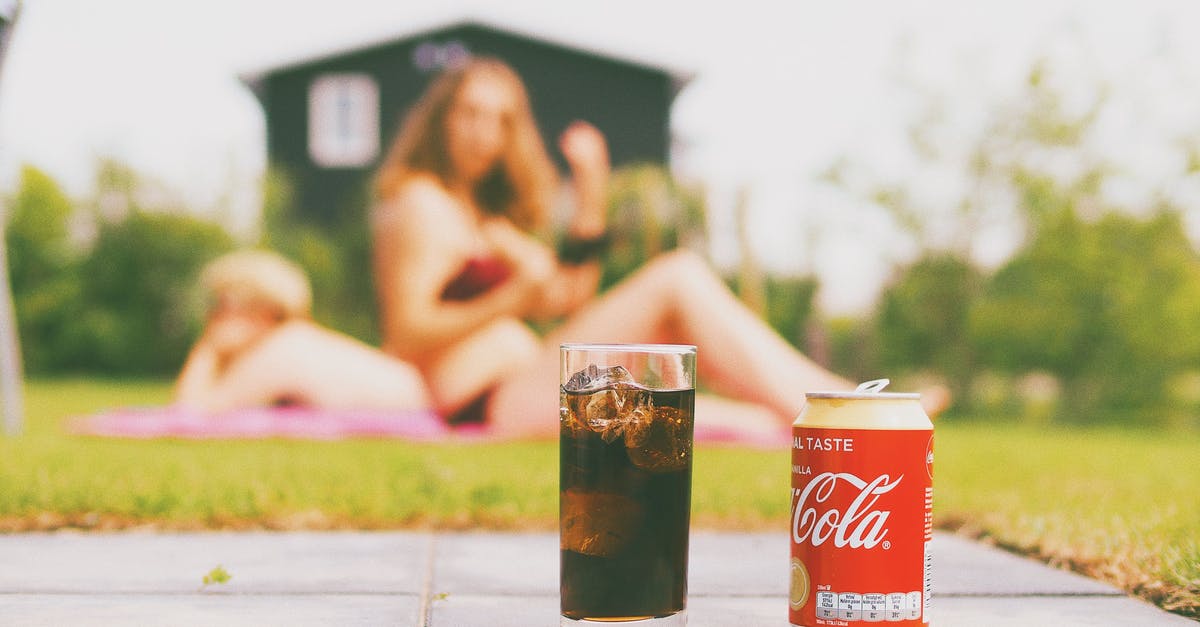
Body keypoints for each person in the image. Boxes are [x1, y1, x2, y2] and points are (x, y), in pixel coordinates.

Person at [371, 57, 941, 439]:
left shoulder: (482, 217)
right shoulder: (422, 203)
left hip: (528, 385)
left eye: (499, 120)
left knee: (752, 427)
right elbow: (406, 335)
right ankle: (844, 406)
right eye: (469, 114)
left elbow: (567, 297)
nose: (483, 133)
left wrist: (590, 194)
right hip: (488, 402)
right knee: (677, 278)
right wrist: (511, 297)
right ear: (441, 118)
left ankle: (836, 420)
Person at [174, 250, 431, 414]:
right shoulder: (294, 342)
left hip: (412, 405)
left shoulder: (279, 351)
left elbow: (191, 413)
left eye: (223, 306)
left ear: (264, 312)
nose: (212, 317)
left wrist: (207, 349)